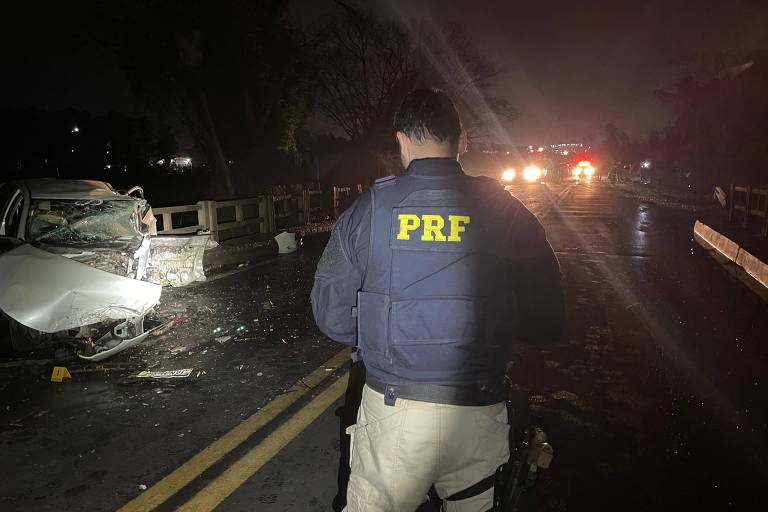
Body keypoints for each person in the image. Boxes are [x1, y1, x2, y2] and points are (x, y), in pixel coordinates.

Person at [311, 88, 565, 512]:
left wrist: (383, 330)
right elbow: (548, 319)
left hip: (394, 413)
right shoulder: (507, 210)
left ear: (402, 140)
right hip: (479, 411)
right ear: (462, 139)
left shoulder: (366, 210)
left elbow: (330, 316)